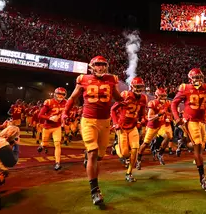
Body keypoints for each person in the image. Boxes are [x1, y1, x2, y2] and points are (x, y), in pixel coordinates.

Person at [61, 56, 123, 205]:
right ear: (92, 66)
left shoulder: (112, 79)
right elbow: (73, 97)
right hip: (88, 120)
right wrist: (65, 112)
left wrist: (125, 102)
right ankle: (95, 190)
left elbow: (117, 97)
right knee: (93, 153)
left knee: (99, 156)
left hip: (105, 121)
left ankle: (88, 157)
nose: (100, 67)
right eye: (97, 65)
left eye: (103, 65)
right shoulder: (83, 79)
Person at [171, 68, 206, 192]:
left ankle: (183, 142)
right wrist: (176, 117)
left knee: (201, 145)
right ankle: (203, 178)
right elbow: (174, 103)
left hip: (202, 121)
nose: (198, 80)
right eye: (195, 78)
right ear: (190, 79)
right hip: (190, 120)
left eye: (200, 77)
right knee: (198, 146)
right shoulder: (185, 87)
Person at [110, 77, 147, 182]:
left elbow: (142, 113)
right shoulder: (125, 95)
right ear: (132, 86)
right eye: (137, 86)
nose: (139, 89)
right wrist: (116, 123)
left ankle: (129, 173)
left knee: (135, 149)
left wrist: (143, 119)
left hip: (133, 126)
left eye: (141, 87)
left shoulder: (143, 98)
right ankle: (116, 146)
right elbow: (113, 110)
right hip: (122, 127)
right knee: (125, 154)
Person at [137, 88, 170, 169]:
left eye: (164, 96)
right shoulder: (153, 103)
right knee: (145, 144)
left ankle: (160, 153)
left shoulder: (167, 103)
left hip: (161, 125)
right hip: (152, 126)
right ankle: (138, 160)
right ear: (156, 96)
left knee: (168, 136)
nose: (163, 98)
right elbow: (149, 117)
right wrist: (159, 115)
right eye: (161, 96)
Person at [38, 88, 67, 171]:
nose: (60, 96)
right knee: (45, 144)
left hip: (57, 127)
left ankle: (57, 163)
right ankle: (42, 145)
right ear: (55, 94)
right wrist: (50, 117)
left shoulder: (66, 102)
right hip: (47, 127)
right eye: (59, 94)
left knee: (57, 144)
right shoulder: (49, 102)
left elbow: (66, 112)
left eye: (62, 94)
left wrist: (64, 117)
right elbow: (40, 115)